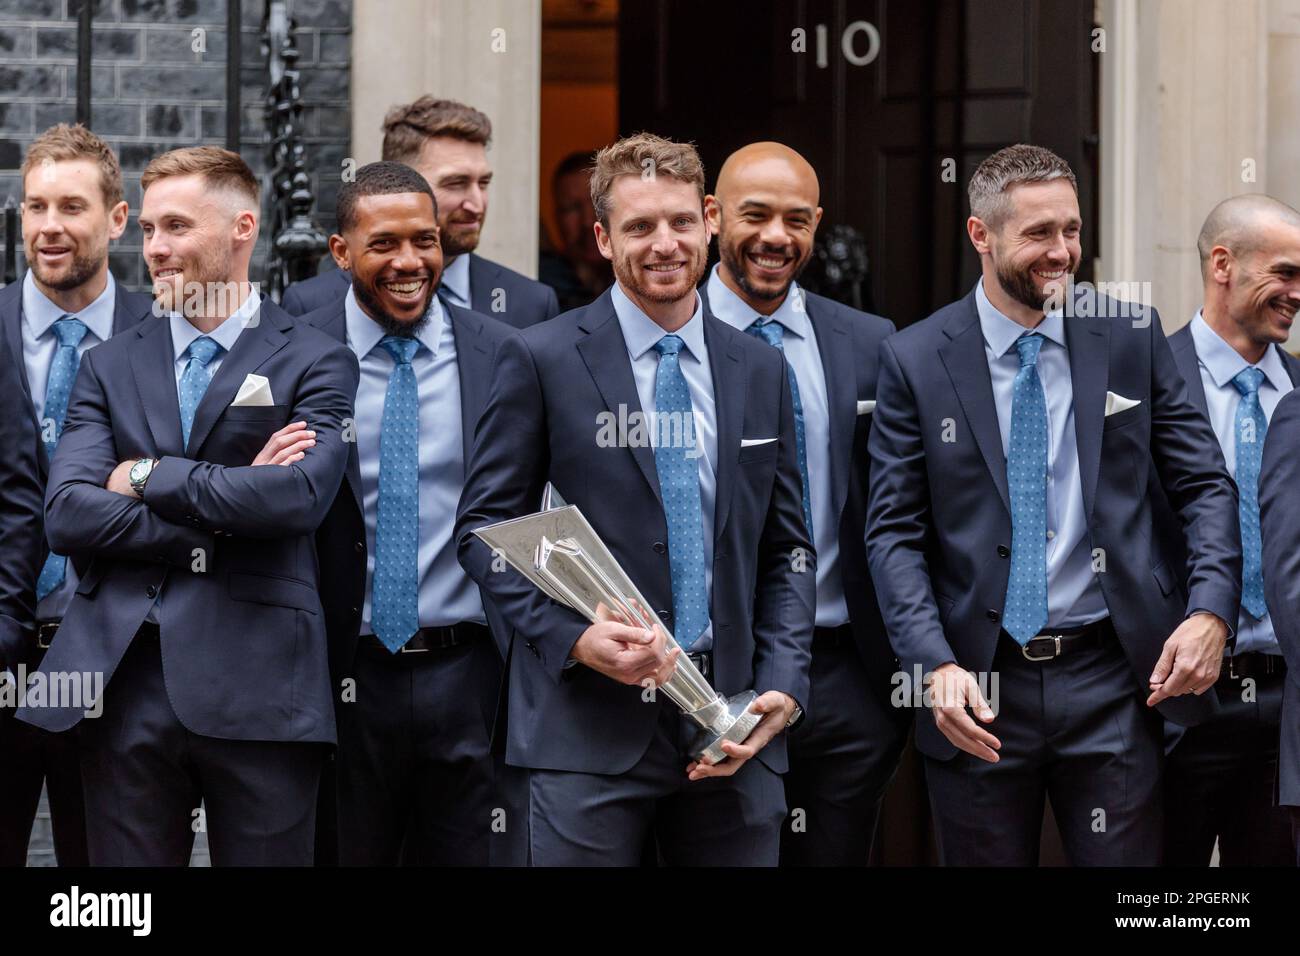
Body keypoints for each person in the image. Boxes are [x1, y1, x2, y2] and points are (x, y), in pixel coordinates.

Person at [866, 143, 1240, 865]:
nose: (1063, 252)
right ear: (982, 235)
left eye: (1071, 230)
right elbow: (893, 534)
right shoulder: (916, 359)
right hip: (978, 684)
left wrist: (1209, 610)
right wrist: (932, 664)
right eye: (1039, 234)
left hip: (1115, 679)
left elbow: (1203, 485)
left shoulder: (1129, 336)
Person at [455, 132, 815, 866]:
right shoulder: (540, 357)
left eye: (681, 222)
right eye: (639, 226)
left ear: (709, 220)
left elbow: (788, 550)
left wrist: (782, 682)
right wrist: (572, 640)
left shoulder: (762, 370)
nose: (665, 244)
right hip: (584, 731)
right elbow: (484, 533)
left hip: (733, 725)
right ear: (601, 236)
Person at [16, 146, 359, 866]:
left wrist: (143, 473)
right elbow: (69, 513)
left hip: (266, 689)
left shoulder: (317, 358)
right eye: (147, 230)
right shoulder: (109, 363)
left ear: (243, 228)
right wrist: (229, 507)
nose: (156, 250)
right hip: (123, 685)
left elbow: (295, 498)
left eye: (176, 227)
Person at [305, 161, 523, 865]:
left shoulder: (502, 356)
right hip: (339, 676)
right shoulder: (290, 351)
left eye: (424, 241)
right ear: (342, 253)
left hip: (470, 677)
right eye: (384, 244)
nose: (410, 262)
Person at [700, 141, 906, 866]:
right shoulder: (668, 338)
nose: (776, 238)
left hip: (847, 668)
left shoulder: (870, 342)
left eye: (797, 220)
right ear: (711, 217)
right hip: (716, 664)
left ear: (817, 224)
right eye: (754, 216)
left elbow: (900, 502)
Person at [0, 124, 154, 867]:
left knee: (102, 893)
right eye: (34, 208)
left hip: (113, 665)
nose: (49, 227)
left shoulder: (165, 340)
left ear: (118, 219)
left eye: (71, 207)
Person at [1159, 194, 1300, 866]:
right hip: (1175, 705)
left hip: (1287, 709)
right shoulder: (1143, 384)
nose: (1298, 293)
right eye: (1286, 273)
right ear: (1223, 264)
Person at [282, 97, 559, 329]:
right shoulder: (311, 305)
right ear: (403, 183)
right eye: (456, 183)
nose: (477, 204)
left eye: (483, 183)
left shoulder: (531, 304)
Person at [539, 150, 612, 312]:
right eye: (572, 208)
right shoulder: (540, 284)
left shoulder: (640, 281)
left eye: (597, 205)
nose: (587, 221)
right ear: (556, 218)